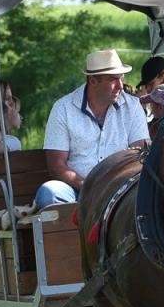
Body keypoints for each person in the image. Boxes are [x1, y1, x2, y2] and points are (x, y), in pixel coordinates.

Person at [34, 49, 149, 209]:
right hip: (77, 191)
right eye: (113, 80)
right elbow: (56, 165)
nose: (120, 86)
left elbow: (139, 155)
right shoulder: (63, 108)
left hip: (121, 189)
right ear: (93, 81)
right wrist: (88, 187)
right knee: (49, 194)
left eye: (121, 78)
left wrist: (114, 186)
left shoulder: (133, 106)